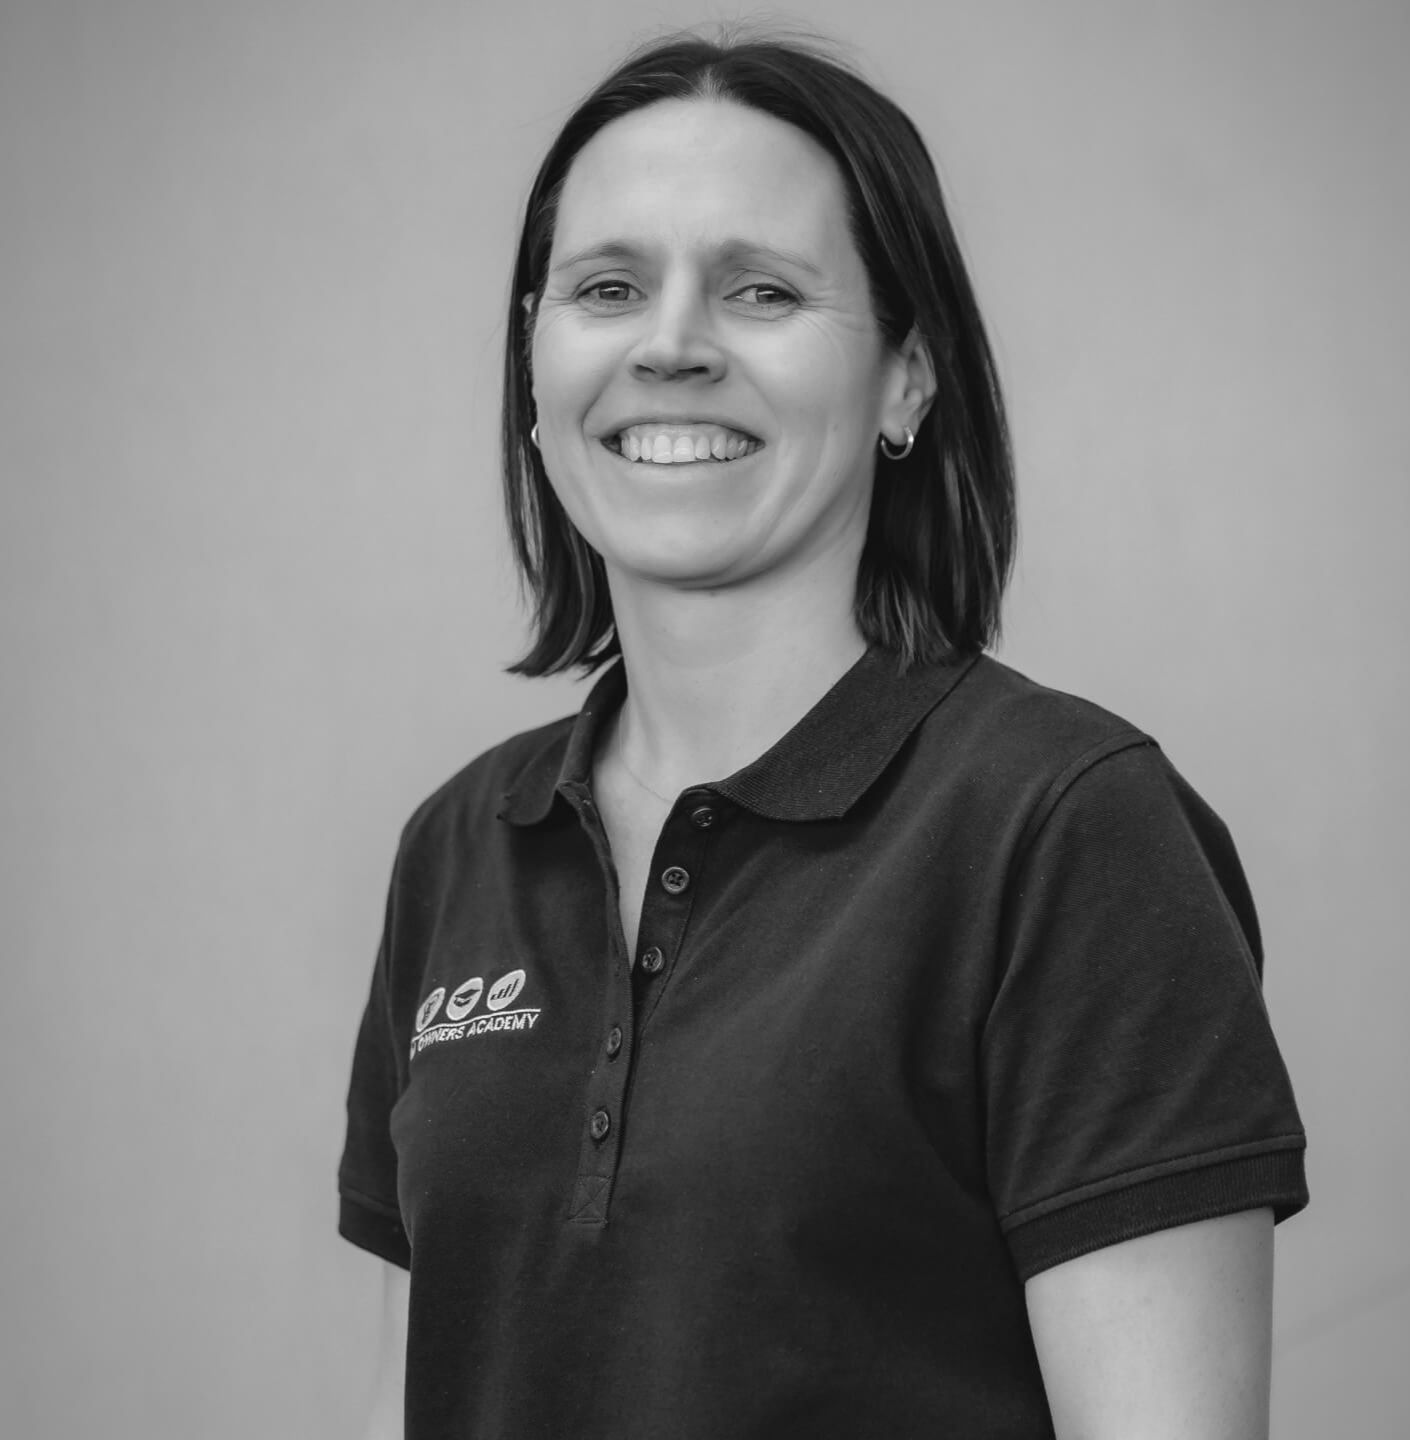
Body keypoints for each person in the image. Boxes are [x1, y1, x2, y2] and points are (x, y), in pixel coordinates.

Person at [338, 29, 1308, 1440]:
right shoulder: (457, 849)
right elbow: (413, 1397)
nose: (671, 344)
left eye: (763, 291)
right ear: (535, 370)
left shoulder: (1065, 829)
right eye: (608, 288)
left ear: (907, 376)